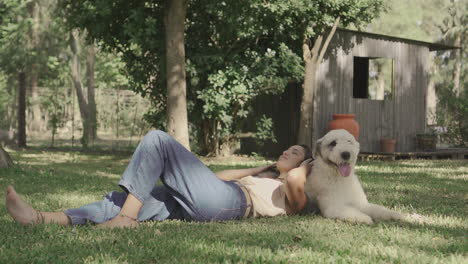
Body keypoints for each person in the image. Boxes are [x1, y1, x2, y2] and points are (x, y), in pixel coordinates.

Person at [6, 130, 314, 229]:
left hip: (231, 204)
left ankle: (127, 218)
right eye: (288, 148)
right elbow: (213, 177)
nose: (288, 150)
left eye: (295, 151)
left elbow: (296, 182)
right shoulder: (266, 176)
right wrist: (257, 170)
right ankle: (40, 218)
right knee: (120, 200)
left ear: (306, 162)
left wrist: (308, 164)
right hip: (214, 196)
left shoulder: (295, 192)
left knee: (157, 139)